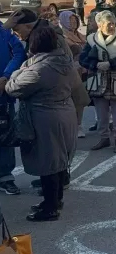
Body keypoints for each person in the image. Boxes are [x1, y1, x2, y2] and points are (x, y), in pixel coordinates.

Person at [5, 26, 78, 221]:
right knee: (60, 160)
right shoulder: (65, 61)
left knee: (48, 162)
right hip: (65, 112)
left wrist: (16, 73)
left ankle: (50, 208)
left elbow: (13, 88)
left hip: (45, 117)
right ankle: (54, 200)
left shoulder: (39, 69)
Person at [80, 11, 116, 153]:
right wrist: (95, 65)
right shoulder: (91, 39)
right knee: (101, 113)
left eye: (113, 23)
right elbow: (83, 58)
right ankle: (104, 138)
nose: (111, 26)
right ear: (100, 25)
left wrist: (110, 64)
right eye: (108, 24)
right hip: (97, 79)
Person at [0, 20, 27, 196]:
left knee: (4, 136)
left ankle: (5, 177)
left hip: (3, 95)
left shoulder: (4, 33)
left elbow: (19, 53)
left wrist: (5, 77)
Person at [59, 11, 87, 138]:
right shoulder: (62, 36)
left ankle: (79, 125)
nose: (73, 22)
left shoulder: (81, 36)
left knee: (80, 100)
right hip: (68, 73)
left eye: (75, 20)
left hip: (82, 72)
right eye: (70, 20)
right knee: (69, 101)